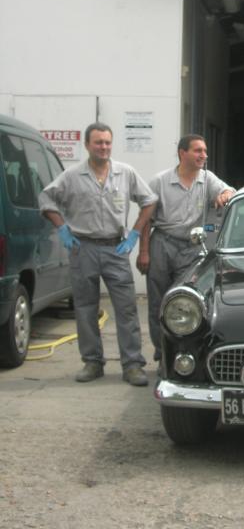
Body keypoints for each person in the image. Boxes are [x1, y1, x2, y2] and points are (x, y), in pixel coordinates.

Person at [39, 122, 157, 386]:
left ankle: (132, 364)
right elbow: (46, 199)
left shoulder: (125, 173)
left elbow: (149, 201)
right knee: (85, 308)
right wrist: (62, 229)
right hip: (83, 249)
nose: (103, 147)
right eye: (98, 142)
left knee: (126, 309)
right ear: (87, 145)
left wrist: (136, 233)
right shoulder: (71, 176)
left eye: (107, 142)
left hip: (116, 248)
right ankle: (92, 362)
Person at [136, 134, 235, 363]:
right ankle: (162, 353)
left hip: (191, 248)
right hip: (162, 243)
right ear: (183, 153)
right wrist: (144, 252)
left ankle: (180, 352)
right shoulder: (159, 181)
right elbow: (146, 219)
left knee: (184, 300)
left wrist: (225, 194)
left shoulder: (207, 179)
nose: (204, 155)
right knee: (158, 302)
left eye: (205, 151)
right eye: (198, 150)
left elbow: (230, 190)